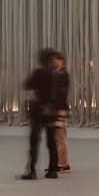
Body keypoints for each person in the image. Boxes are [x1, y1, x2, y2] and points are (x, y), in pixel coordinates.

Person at [19, 48, 67, 180]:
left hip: (38, 111)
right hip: (52, 112)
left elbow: (26, 85)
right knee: (52, 143)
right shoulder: (55, 73)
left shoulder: (38, 72)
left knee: (34, 142)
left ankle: (32, 171)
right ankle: (53, 171)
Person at [49, 52, 71, 173]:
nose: (54, 62)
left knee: (60, 137)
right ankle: (61, 162)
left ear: (61, 60)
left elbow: (60, 94)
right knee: (58, 137)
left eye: (55, 60)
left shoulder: (63, 74)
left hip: (60, 110)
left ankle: (64, 164)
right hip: (58, 109)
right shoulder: (57, 73)